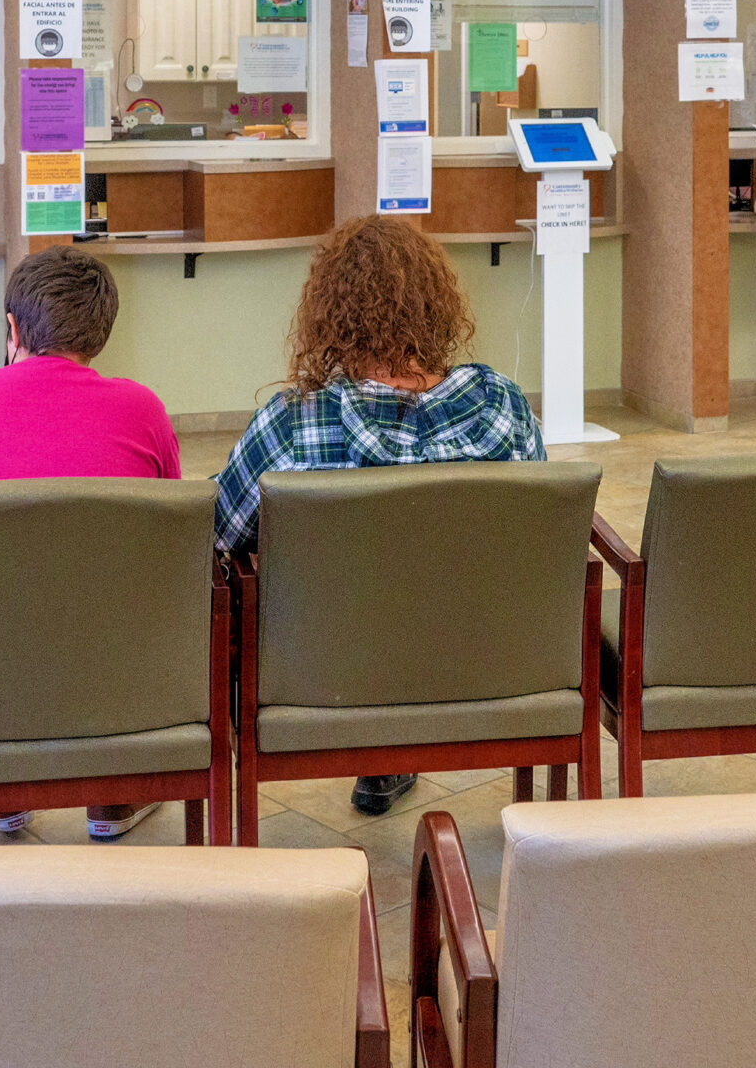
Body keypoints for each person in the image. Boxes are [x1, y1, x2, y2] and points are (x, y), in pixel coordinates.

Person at [215, 215, 544, 817]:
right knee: (422, 586)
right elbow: (542, 535)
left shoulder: (294, 424)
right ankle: (390, 757)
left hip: (329, 672)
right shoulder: (504, 407)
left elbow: (219, 532)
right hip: (479, 658)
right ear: (436, 303)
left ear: (328, 313)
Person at [0, 245, 180, 839]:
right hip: (110, 674)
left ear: (12, 328)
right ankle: (114, 792)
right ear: (100, 336)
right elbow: (169, 544)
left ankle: (3, 781)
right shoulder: (143, 411)